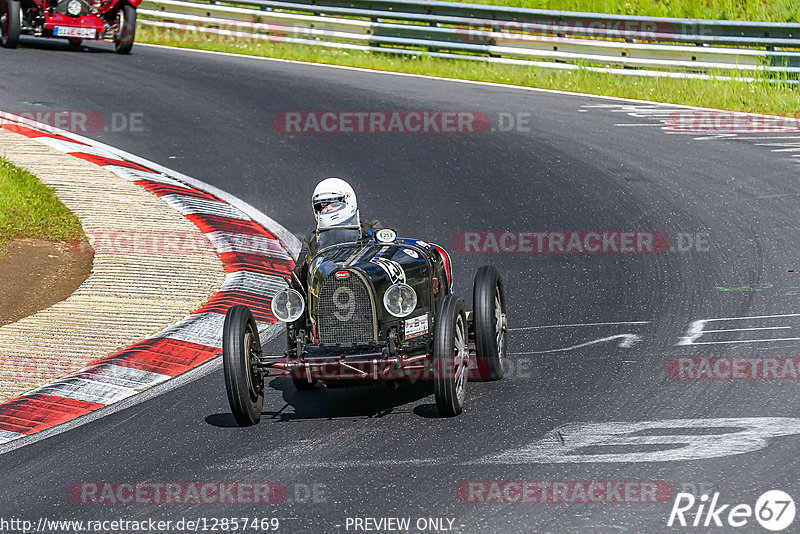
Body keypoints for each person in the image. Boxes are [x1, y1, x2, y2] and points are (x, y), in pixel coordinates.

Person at [292, 178, 381, 287]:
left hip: (364, 282)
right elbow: (297, 282)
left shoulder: (371, 228)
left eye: (333, 205)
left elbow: (385, 259)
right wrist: (308, 260)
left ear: (349, 202)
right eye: (322, 207)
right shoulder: (312, 238)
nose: (327, 210)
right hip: (326, 286)